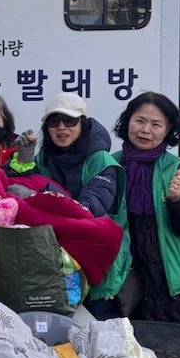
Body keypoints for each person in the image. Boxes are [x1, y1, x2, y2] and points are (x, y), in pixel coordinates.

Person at [14, 92, 129, 319]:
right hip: (55, 267)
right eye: (54, 121)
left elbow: (88, 211)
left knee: (98, 336)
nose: (61, 127)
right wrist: (24, 162)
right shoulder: (44, 159)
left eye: (70, 120)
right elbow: (19, 193)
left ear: (83, 123)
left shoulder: (101, 161)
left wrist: (41, 194)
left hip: (99, 268)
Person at [113, 92, 180, 324]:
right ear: (128, 121)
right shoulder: (112, 165)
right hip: (126, 282)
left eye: (156, 124)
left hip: (172, 285)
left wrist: (178, 201)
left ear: (168, 129)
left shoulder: (177, 169)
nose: (146, 130)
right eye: (140, 121)